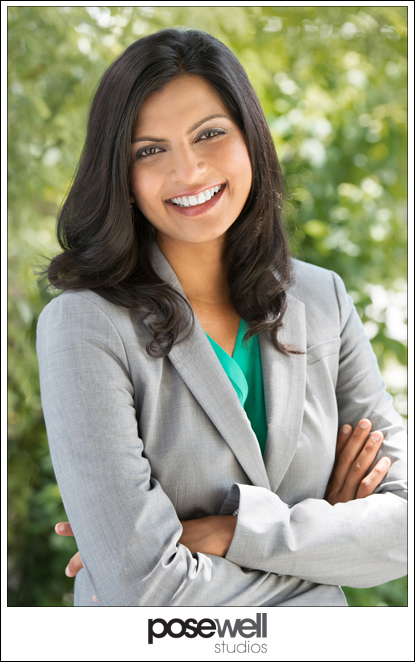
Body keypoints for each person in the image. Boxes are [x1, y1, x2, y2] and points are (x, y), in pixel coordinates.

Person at [37, 28, 407, 607]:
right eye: (150, 149)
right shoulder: (84, 325)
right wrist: (325, 541)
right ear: (123, 177)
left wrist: (227, 532)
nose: (188, 170)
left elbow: (404, 528)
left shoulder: (321, 298)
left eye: (209, 134)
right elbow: (144, 590)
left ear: (250, 139)